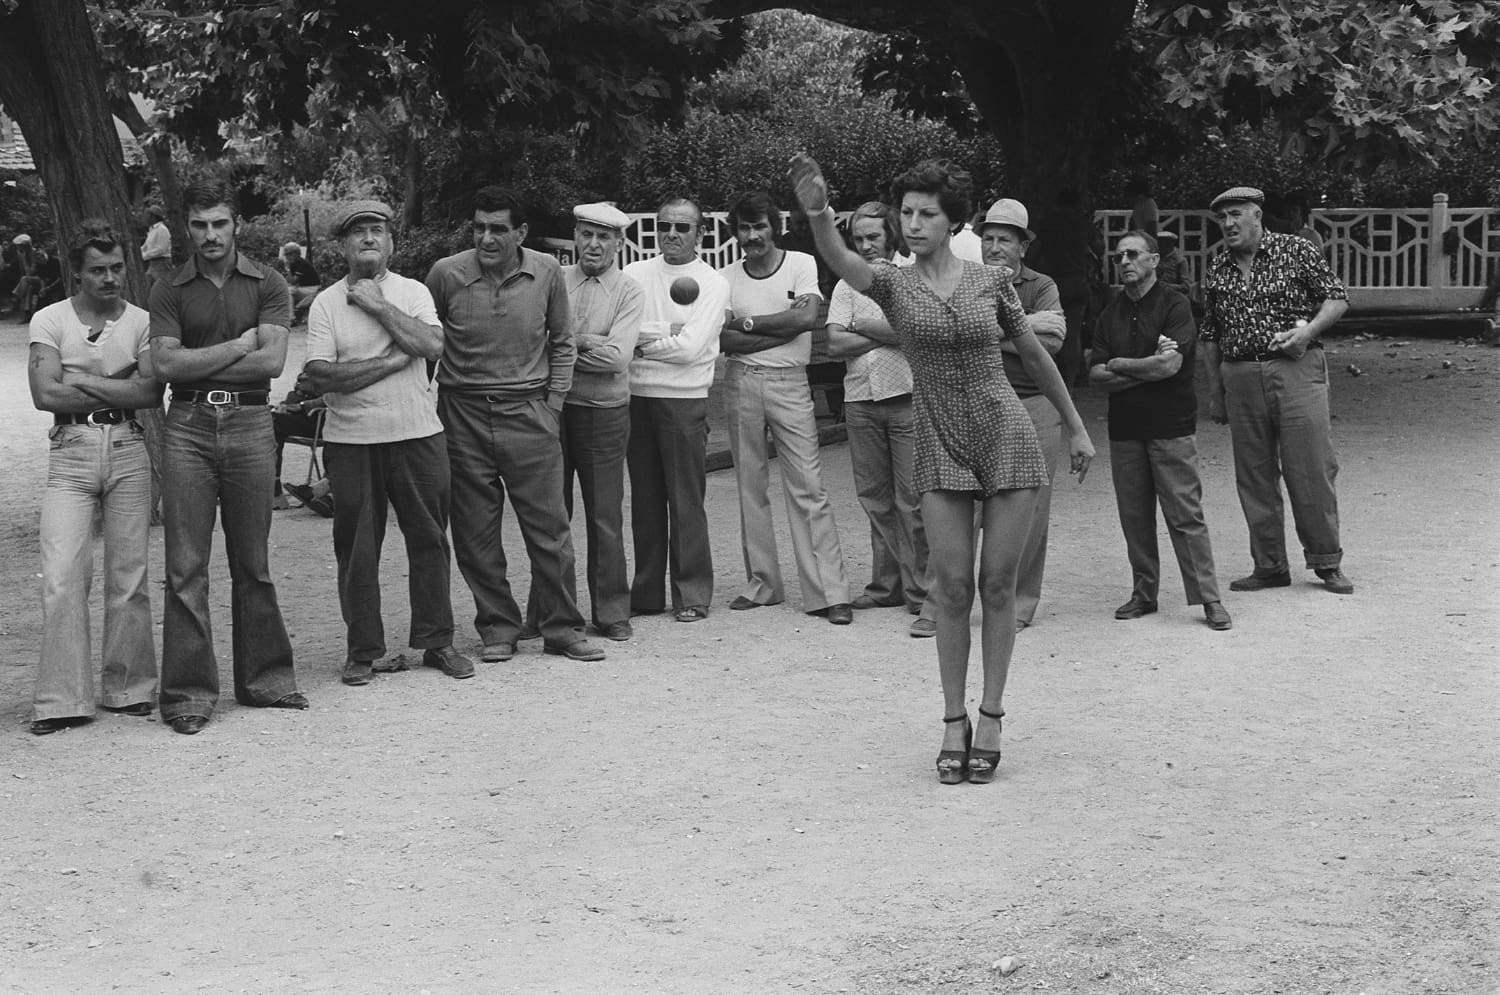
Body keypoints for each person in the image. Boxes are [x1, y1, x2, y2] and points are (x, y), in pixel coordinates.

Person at [789, 153, 1095, 786]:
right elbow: (841, 262)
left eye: (928, 213)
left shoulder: (989, 281)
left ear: (952, 220)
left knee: (997, 586)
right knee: (950, 588)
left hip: (1005, 434)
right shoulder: (892, 283)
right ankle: (952, 720)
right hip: (938, 440)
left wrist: (1076, 425)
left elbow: (1036, 355)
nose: (914, 222)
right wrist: (818, 212)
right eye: (907, 212)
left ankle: (992, 715)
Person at [149, 180, 306, 735]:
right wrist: (240, 345)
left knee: (253, 560)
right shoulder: (169, 288)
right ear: (186, 227)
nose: (210, 235)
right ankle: (188, 695)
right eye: (199, 225)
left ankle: (266, 681)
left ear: (236, 223)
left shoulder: (270, 282)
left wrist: (202, 360)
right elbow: (166, 369)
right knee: (185, 565)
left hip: (249, 423)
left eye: (219, 223)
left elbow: (272, 364)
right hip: (187, 426)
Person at [425, 186, 603, 663]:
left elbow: (563, 341)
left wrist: (554, 404)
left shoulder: (545, 271)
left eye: (498, 229)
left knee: (550, 530)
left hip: (529, 412)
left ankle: (562, 628)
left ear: (520, 233)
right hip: (462, 414)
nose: (487, 237)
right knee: (475, 531)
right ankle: (497, 628)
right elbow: (426, 341)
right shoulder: (446, 274)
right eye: (479, 227)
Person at [298, 200, 474, 685]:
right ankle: (363, 650)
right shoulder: (327, 304)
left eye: (377, 231)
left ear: (392, 241)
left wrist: (377, 304)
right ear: (343, 245)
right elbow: (319, 374)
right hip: (351, 442)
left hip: (418, 435)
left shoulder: (413, 292)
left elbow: (434, 345)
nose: (369, 239)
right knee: (355, 548)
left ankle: (437, 641)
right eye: (359, 233)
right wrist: (393, 361)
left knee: (431, 540)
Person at [25, 221, 163, 735]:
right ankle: (62, 698)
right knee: (62, 575)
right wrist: (114, 383)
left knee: (129, 575)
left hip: (128, 446)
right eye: (98, 270)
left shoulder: (142, 321)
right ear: (77, 273)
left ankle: (129, 689)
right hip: (72, 451)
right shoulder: (50, 319)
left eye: (116, 268)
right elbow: (47, 395)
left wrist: (78, 377)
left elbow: (151, 394)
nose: (110, 279)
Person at [1201, 186, 1353, 595]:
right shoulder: (1216, 268)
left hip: (1296, 369)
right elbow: (1211, 334)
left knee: (1311, 467)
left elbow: (1336, 300)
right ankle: (1269, 565)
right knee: (1254, 475)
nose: (1229, 224)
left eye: (1236, 215)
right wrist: (1217, 392)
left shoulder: (1296, 250)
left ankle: (1326, 561)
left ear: (1256, 215)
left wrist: (1307, 333)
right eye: (1222, 218)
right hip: (1240, 375)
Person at [718, 190, 853, 624]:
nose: (753, 236)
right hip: (740, 382)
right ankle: (763, 584)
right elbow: (723, 339)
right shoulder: (726, 277)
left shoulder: (800, 263)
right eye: (744, 228)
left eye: (760, 226)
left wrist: (751, 324)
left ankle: (828, 592)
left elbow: (805, 320)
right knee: (749, 487)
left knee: (808, 486)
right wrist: (780, 327)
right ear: (735, 232)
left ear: (774, 227)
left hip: (790, 384)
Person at [1089, 231, 1231, 631]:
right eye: (1119, 256)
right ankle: (1143, 593)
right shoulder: (1109, 313)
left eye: (1133, 254)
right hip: (1126, 429)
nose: (1125, 261)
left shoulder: (1175, 304)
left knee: (1185, 514)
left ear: (1153, 259)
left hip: (1171, 425)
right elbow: (1096, 376)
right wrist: (1144, 364)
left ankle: (1209, 597)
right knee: (1134, 517)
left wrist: (1121, 364)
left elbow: (1170, 367)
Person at [522, 202, 643, 642]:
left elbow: (616, 359)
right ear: (575, 235)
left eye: (604, 237)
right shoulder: (554, 280)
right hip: (554, 409)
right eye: (587, 234)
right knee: (550, 515)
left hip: (605, 413)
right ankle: (545, 612)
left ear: (619, 243)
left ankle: (612, 612)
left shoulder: (629, 291)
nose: (594, 245)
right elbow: (535, 342)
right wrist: (589, 342)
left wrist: (568, 346)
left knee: (604, 515)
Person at [826, 202, 935, 638]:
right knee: (873, 497)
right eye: (858, 239)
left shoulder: (912, 277)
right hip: (860, 401)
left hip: (907, 398)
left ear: (891, 234)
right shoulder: (845, 284)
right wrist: (883, 328)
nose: (866, 245)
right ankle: (886, 584)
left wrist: (864, 326)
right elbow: (834, 343)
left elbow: (917, 332)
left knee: (913, 500)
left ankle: (922, 590)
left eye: (874, 236)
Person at [621, 197, 731, 623]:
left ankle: (692, 595)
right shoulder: (634, 274)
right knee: (645, 501)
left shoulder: (713, 281)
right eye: (665, 225)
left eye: (683, 227)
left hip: (685, 400)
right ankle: (646, 594)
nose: (672, 234)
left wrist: (641, 344)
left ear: (700, 234)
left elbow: (690, 350)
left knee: (686, 499)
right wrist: (666, 331)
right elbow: (621, 332)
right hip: (636, 398)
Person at [975, 198, 1070, 631]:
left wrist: (991, 330)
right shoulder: (967, 280)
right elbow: (961, 337)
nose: (995, 247)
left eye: (1005, 240)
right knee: (961, 504)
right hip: (979, 402)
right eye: (989, 238)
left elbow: (1052, 343)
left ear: (1022, 247)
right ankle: (944, 600)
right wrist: (1023, 329)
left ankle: (1018, 605)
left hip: (1034, 405)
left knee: (1032, 510)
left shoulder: (1042, 284)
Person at [1030, 188, 1101, 386]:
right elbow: (1099, 248)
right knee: (1073, 334)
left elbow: (1035, 250)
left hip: (1052, 283)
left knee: (1050, 331)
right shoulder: (1083, 223)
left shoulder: (1047, 223)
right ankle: (1070, 381)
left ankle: (1053, 380)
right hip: (1078, 281)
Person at [280, 242, 321, 321]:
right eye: (286, 255)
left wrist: (287, 269)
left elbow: (293, 281)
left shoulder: (301, 263)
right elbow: (290, 281)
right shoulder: (294, 263)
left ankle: (291, 318)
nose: (287, 257)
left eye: (288, 254)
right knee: (286, 290)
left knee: (288, 290)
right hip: (304, 288)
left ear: (295, 254)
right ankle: (287, 316)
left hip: (312, 289)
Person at [1155, 231, 1193, 301]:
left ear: (1171, 244)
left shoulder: (1180, 261)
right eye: (1158, 242)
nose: (1159, 245)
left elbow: (1186, 286)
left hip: (1173, 300)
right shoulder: (1155, 259)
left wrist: (1166, 286)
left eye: (1163, 243)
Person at [141, 206, 173, 288]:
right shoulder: (152, 230)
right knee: (148, 285)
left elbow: (161, 249)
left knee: (161, 287)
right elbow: (145, 246)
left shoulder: (162, 230)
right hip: (153, 263)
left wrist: (144, 256)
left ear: (153, 216)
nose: (145, 218)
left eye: (147, 215)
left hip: (162, 263)